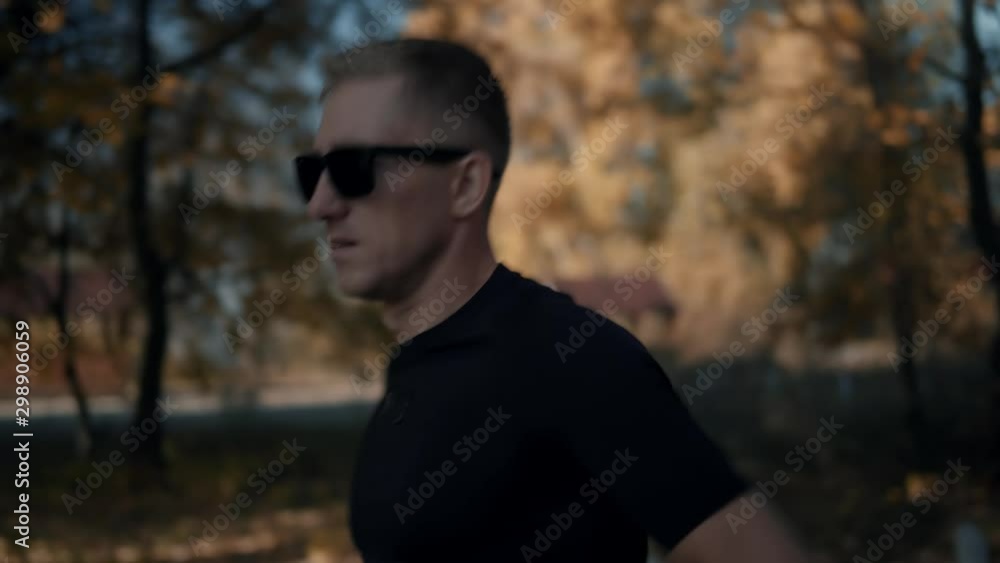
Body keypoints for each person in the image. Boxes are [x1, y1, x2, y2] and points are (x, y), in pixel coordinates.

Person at [298, 38, 808, 563]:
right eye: (311, 173)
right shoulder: (418, 365)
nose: (319, 205)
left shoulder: (570, 356)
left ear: (465, 185)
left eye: (353, 169)